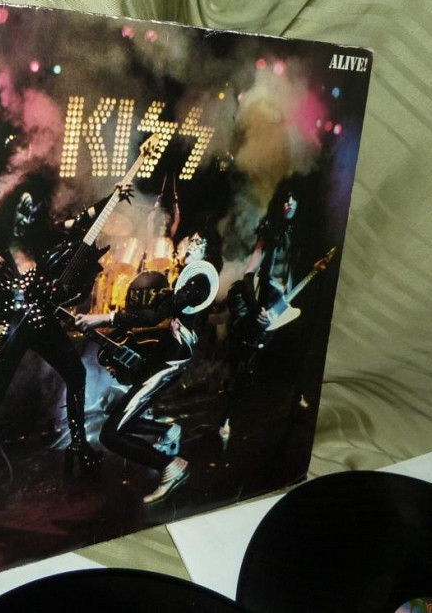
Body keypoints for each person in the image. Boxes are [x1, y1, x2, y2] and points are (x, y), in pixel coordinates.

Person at [0, 173, 133, 519]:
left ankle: (79, 446)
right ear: (11, 207)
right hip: (12, 325)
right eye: (23, 208)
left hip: (42, 321)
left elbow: (83, 219)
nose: (27, 216)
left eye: (34, 210)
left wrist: (114, 197)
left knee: (76, 373)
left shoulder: (43, 236)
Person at [75, 232, 218, 504]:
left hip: (169, 363)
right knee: (119, 417)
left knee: (111, 434)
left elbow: (153, 315)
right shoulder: (190, 280)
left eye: (195, 244)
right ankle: (167, 431)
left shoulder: (199, 281)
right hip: (164, 358)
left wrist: (102, 318)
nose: (187, 247)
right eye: (188, 243)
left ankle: (171, 467)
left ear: (206, 251)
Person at [221, 177, 309, 442]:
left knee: (294, 354)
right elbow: (250, 272)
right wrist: (256, 307)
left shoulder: (304, 234)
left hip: (289, 302)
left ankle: (296, 399)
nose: (289, 203)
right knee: (247, 362)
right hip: (267, 301)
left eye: (294, 199)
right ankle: (226, 418)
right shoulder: (270, 231)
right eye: (285, 198)